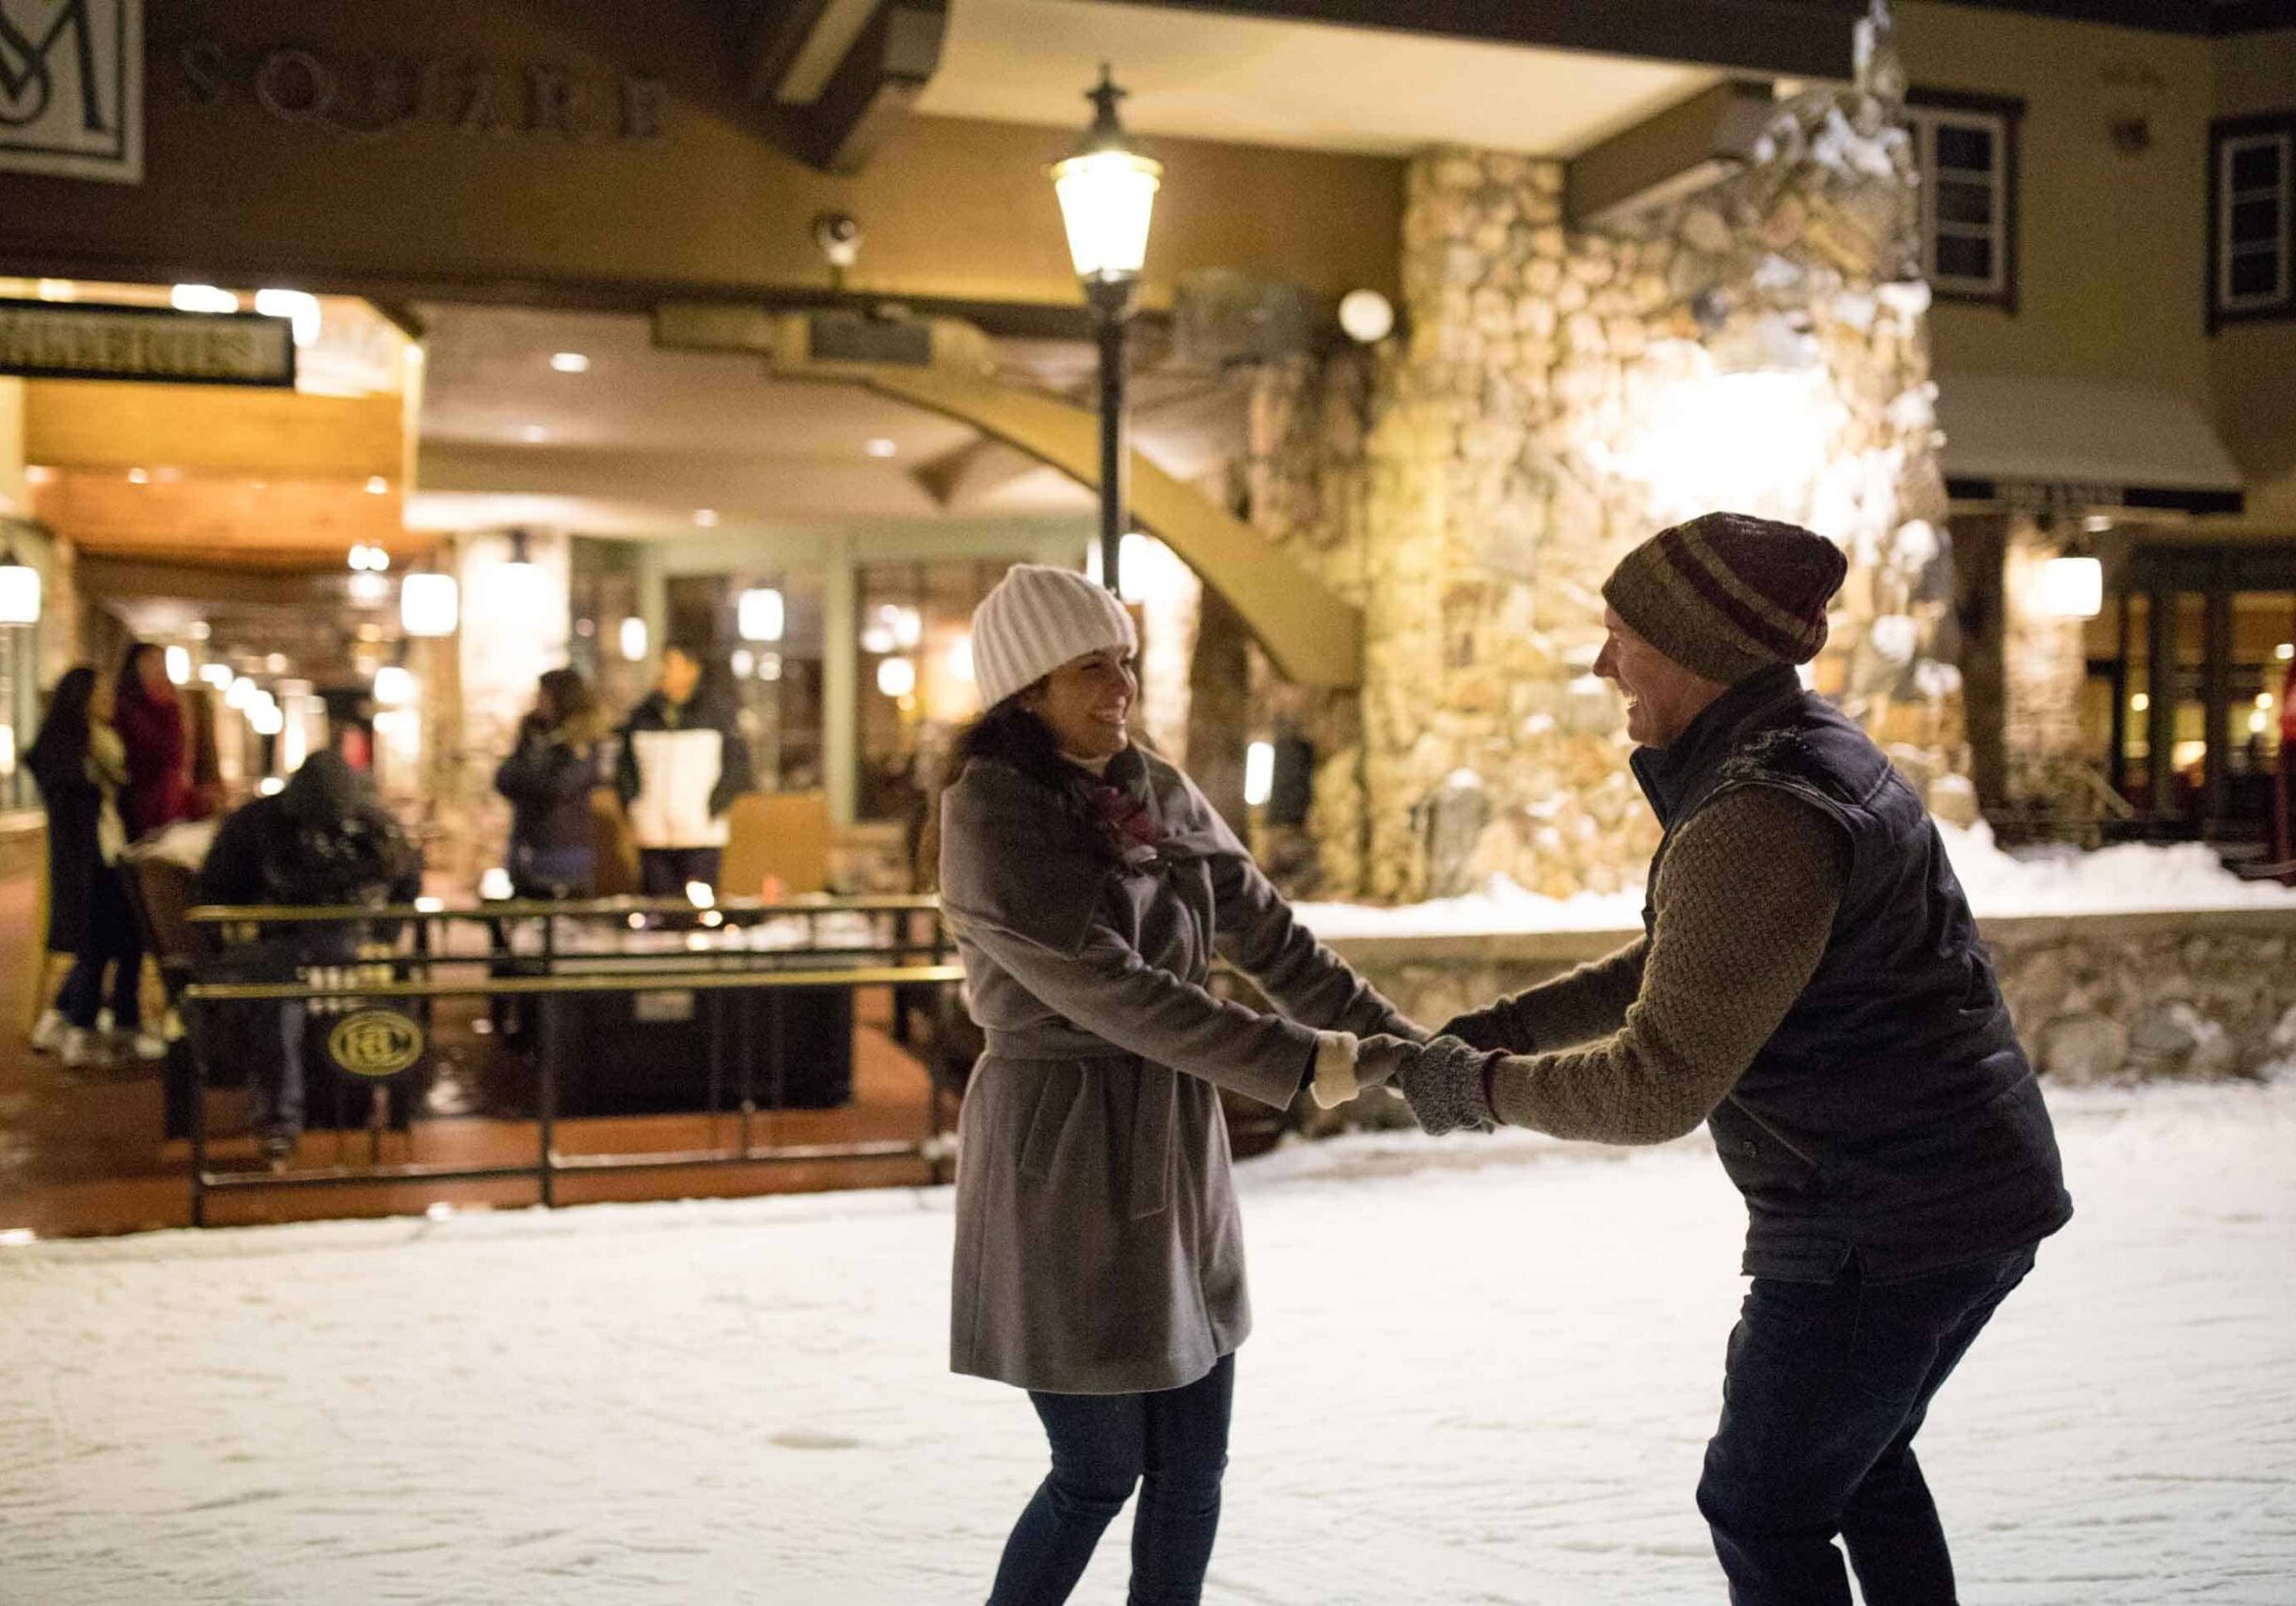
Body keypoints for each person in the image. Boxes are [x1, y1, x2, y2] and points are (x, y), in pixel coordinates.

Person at [1370, 513, 2074, 1606]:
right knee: (1858, 1465)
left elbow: (1655, 1082)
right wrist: (1498, 1025)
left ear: (1700, 647)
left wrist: (1475, 1087)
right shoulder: (1801, 752)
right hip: (1955, 1193)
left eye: (1621, 636)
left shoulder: (1761, 811)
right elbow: (1689, 958)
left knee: (1760, 1506)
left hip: (1877, 1223)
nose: (1602, 663)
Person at [928, 564, 1423, 1606]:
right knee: (1097, 1467)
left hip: (1172, 1139)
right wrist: (1303, 1061)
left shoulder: (1151, 785)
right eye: (1089, 669)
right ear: (1025, 689)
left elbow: (1267, 932)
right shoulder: (994, 812)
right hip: (1060, 1152)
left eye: (1125, 662)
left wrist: (1399, 1044)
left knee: (1194, 1463)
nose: (1119, 687)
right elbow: (1118, 992)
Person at [194, 751, 421, 1165]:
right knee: (279, 1000)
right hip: (283, 944)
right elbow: (217, 891)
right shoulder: (256, 825)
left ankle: (367, 1101)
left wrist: (385, 937)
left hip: (345, 945)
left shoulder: (372, 826)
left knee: (380, 995)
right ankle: (281, 1121)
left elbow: (406, 880)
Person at [27, 667, 163, 1068]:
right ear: (81, 698)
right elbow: (69, 801)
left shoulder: (105, 743)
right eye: (101, 694)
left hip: (113, 854)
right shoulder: (63, 748)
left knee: (128, 941)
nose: (109, 702)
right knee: (94, 946)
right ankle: (79, 1029)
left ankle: (113, 1022)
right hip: (86, 860)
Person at [615, 642, 752, 897]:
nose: (663, 671)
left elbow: (737, 766)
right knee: (659, 911)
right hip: (652, 832)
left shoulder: (716, 713)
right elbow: (624, 769)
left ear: (692, 670)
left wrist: (712, 807)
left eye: (670, 664)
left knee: (699, 911)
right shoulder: (642, 715)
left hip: (701, 833)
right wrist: (634, 807)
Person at [496, 667, 611, 898]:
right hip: (525, 849)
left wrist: (528, 778)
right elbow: (504, 778)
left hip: (565, 850)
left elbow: (560, 786)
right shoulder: (531, 733)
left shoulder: (584, 739)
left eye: (543, 695)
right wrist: (535, 778)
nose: (538, 702)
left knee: (566, 925)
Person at [112, 641, 190, 840]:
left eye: (161, 662)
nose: (159, 669)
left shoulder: (170, 704)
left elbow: (176, 754)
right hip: (134, 802)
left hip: (167, 804)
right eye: (151, 662)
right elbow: (147, 751)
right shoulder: (126, 707)